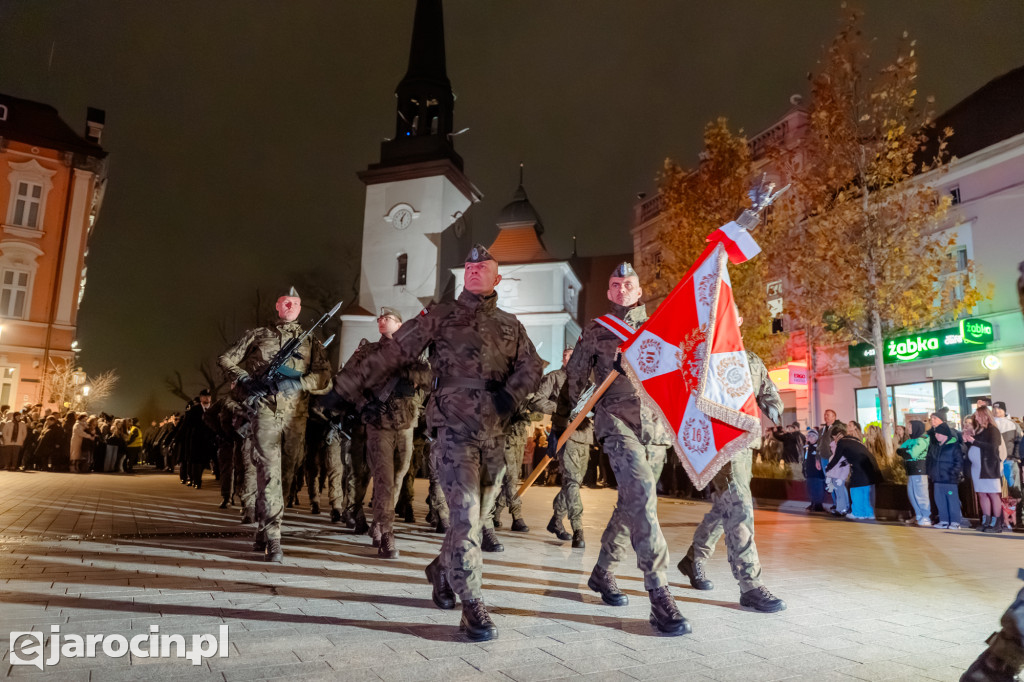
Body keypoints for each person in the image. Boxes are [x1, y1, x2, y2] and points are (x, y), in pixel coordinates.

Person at [329, 244, 543, 642]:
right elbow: (394, 353)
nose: (475, 270)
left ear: (497, 279)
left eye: (484, 267)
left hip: (494, 430)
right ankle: (472, 603)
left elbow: (532, 366)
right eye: (470, 266)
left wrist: (510, 395)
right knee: (464, 513)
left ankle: (441, 570)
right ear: (465, 274)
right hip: (453, 427)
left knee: (477, 520)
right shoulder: (440, 316)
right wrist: (343, 389)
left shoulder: (512, 325)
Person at [558, 262, 689, 634]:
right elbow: (574, 380)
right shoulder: (597, 330)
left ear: (639, 290)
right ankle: (659, 593)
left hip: (656, 426)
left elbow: (679, 372)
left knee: (630, 503)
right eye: (614, 285)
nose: (621, 290)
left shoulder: (660, 326)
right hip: (615, 420)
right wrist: (560, 424)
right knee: (643, 494)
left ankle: (602, 572)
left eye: (627, 284)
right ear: (608, 292)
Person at [680, 325, 788, 615]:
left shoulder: (752, 359)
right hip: (719, 441)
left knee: (726, 506)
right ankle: (750, 584)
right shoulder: (705, 358)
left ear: (738, 321)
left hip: (745, 442)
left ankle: (694, 557)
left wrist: (774, 408)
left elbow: (768, 389)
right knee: (739, 507)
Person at [218, 286, 332, 562]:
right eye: (285, 303)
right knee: (269, 473)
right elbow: (225, 359)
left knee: (287, 475)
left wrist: (297, 381)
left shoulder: (311, 341)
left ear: (300, 309)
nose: (290, 307)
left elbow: (325, 379)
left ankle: (263, 528)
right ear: (277, 307)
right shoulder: (258, 335)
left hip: (296, 417)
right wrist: (245, 379)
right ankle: (274, 537)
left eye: (295, 303)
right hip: (265, 412)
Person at [352, 306, 430, 559]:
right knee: (384, 477)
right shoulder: (367, 351)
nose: (381, 320)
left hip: (406, 420)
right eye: (380, 318)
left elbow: (429, 378)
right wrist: (365, 405)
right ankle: (387, 532)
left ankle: (379, 520)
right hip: (379, 420)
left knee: (399, 474)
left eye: (388, 318)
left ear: (400, 325)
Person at [538, 347, 594, 548]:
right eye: (566, 356)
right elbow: (537, 401)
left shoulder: (587, 382)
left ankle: (556, 520)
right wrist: (562, 409)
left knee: (574, 483)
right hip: (566, 434)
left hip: (585, 435)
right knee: (571, 481)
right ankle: (578, 528)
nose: (569, 359)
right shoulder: (554, 377)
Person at [827, 422, 882, 520]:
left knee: (856, 489)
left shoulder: (842, 442)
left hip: (859, 467)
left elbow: (836, 458)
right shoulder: (855, 440)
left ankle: (858, 513)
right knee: (867, 489)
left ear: (839, 435)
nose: (834, 440)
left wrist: (828, 467)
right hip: (870, 466)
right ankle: (869, 513)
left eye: (834, 438)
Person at [965, 405, 1005, 534]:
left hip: (988, 466)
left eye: (977, 415)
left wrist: (974, 442)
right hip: (978, 467)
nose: (975, 418)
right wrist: (967, 440)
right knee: (982, 493)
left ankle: (997, 522)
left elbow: (993, 447)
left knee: (993, 493)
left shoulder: (993, 430)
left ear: (985, 415)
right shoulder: (979, 430)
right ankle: (986, 520)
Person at [930, 422, 963, 529]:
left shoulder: (954, 446)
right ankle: (944, 520)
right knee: (940, 500)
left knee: (952, 500)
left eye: (938, 433)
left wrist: (953, 473)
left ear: (945, 434)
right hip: (938, 479)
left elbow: (959, 462)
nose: (936, 435)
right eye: (936, 434)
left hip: (949, 479)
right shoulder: (936, 446)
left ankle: (955, 521)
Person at [898, 421, 931, 526]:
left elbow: (913, 453)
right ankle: (919, 515)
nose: (908, 428)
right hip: (911, 471)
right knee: (912, 494)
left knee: (921, 494)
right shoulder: (910, 440)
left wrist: (906, 451)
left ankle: (926, 516)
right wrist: (906, 451)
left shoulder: (923, 440)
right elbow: (899, 450)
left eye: (910, 426)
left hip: (919, 470)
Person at [803, 429, 826, 512]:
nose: (810, 437)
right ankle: (813, 503)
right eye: (808, 436)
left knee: (818, 488)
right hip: (809, 472)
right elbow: (805, 459)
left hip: (817, 472)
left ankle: (818, 505)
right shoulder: (807, 447)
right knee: (810, 488)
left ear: (816, 437)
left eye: (812, 436)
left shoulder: (819, 447)